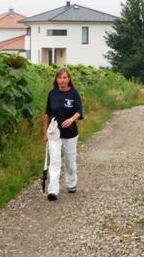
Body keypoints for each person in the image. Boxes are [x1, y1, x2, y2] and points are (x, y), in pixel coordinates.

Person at [44, 67, 83, 201]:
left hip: (70, 132)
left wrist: (71, 119)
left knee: (69, 160)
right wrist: (45, 133)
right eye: (59, 78)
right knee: (55, 160)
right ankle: (53, 190)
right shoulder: (52, 94)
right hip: (54, 131)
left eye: (65, 78)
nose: (62, 80)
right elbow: (47, 114)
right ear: (56, 79)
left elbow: (79, 111)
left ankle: (71, 183)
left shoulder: (74, 93)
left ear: (69, 79)